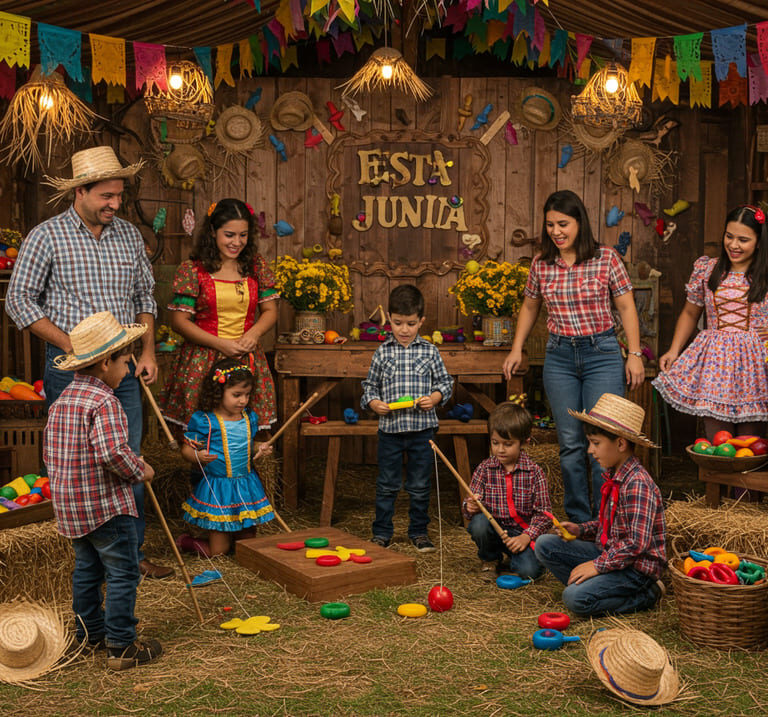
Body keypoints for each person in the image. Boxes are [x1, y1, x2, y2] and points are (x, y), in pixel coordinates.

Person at [5, 146, 171, 579]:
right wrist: (76, 346)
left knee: (126, 454)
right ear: (80, 192)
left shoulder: (130, 237)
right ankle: (79, 560)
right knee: (73, 460)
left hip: (124, 367)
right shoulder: (46, 235)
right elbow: (18, 300)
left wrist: (148, 350)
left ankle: (129, 557)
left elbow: (143, 297)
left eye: (119, 195)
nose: (116, 204)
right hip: (69, 368)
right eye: (107, 196)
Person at [502, 190, 645, 523]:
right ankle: (580, 523)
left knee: (603, 441)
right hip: (560, 357)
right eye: (550, 224)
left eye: (563, 223)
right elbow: (530, 306)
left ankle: (606, 521)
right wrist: (516, 347)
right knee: (570, 444)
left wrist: (634, 354)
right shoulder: (542, 264)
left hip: (602, 354)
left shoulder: (606, 258)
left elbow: (626, 306)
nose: (556, 231)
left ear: (580, 222)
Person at [43, 312, 163, 671]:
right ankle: (121, 646)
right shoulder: (104, 402)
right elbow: (111, 452)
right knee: (123, 572)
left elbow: (51, 453)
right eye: (126, 361)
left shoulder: (63, 401)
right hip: (106, 507)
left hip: (72, 508)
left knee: (87, 570)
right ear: (106, 361)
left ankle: (89, 634)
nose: (128, 371)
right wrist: (139, 469)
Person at [534, 393, 665, 617]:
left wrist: (597, 566)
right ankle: (592, 586)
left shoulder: (637, 485)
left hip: (635, 570)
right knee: (545, 544)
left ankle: (646, 595)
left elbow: (636, 544)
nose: (590, 450)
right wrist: (581, 529)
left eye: (596, 444)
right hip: (610, 555)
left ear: (621, 443)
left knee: (574, 599)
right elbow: (611, 526)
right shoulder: (615, 476)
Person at [161, 198, 279, 432]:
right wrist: (220, 344)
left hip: (246, 357)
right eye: (229, 235)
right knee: (204, 431)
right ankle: (205, 469)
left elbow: (270, 310)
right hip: (203, 359)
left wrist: (254, 334)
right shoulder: (194, 269)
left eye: (243, 235)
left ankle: (243, 468)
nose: (237, 242)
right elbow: (179, 321)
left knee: (247, 428)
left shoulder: (255, 267)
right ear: (213, 231)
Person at [653, 205, 768, 440]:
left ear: (759, 241)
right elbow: (689, 313)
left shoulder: (765, 274)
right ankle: (714, 476)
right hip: (716, 364)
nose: (734, 245)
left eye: (743, 239)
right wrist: (674, 351)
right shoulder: (707, 269)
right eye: (729, 236)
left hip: (755, 365)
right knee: (718, 442)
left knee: (750, 447)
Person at [361, 284, 454, 552]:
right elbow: (369, 386)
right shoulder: (382, 352)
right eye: (398, 323)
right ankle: (381, 533)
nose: (404, 330)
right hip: (390, 431)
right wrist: (374, 402)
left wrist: (435, 398)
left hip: (422, 430)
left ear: (421, 321)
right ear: (389, 318)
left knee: (419, 485)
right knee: (387, 484)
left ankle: (418, 532)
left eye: (411, 324)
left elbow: (445, 383)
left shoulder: (430, 351)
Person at [176, 358, 275, 557]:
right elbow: (186, 450)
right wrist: (197, 455)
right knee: (218, 552)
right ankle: (186, 541)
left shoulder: (248, 417)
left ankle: (239, 537)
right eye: (236, 395)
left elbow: (249, 444)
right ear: (218, 391)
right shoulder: (206, 421)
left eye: (247, 395)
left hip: (246, 485)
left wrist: (260, 448)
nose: (243, 400)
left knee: (248, 548)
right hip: (218, 488)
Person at [462, 402, 550, 579]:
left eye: (508, 444)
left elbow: (544, 515)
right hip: (494, 529)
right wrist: (470, 506)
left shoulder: (534, 472)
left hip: (522, 533)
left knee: (529, 572)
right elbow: (469, 505)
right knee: (479, 524)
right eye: (495, 443)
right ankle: (490, 559)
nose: (500, 449)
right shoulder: (484, 469)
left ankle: (516, 559)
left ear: (524, 442)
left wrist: (526, 537)